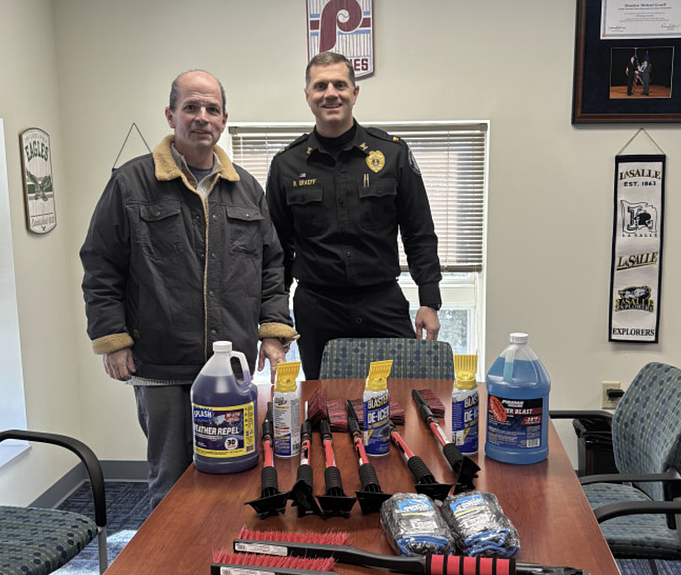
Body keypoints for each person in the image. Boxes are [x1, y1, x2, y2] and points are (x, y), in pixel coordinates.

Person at [81, 70, 297, 509]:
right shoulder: (131, 183)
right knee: (172, 480)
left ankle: (217, 565)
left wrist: (273, 331)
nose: (202, 117)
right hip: (160, 363)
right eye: (191, 107)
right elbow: (101, 263)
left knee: (233, 468)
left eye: (212, 109)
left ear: (224, 119)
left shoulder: (247, 190)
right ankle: (171, 571)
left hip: (230, 367)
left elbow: (272, 264)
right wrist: (112, 339)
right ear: (170, 115)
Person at [266, 51, 442, 379]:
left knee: (401, 397)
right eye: (320, 86)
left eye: (339, 84)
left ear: (354, 93)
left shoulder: (392, 153)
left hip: (382, 300)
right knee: (324, 404)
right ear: (307, 96)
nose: (330, 93)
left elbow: (419, 232)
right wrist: (275, 322)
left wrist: (429, 300)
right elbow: (276, 253)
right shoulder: (286, 165)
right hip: (317, 306)